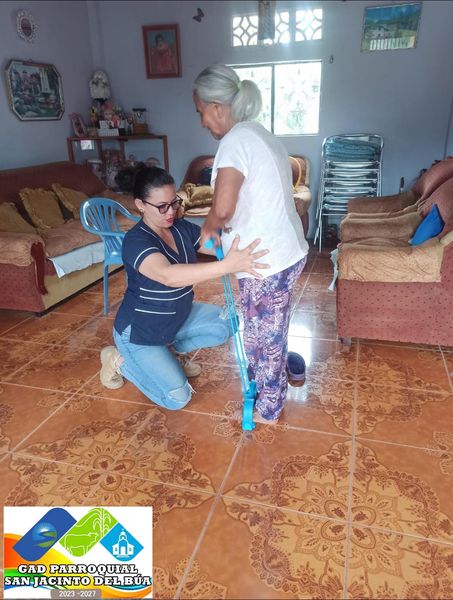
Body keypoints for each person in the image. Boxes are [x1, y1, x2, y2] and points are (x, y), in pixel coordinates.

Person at [193, 64, 309, 424]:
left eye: (200, 112)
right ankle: (266, 381)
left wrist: (209, 229)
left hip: (266, 260)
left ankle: (269, 408)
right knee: (267, 328)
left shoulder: (234, 141)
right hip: (281, 251)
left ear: (216, 106)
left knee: (263, 336)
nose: (202, 122)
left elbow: (223, 208)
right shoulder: (257, 133)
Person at [100, 166, 269, 411]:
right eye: (162, 206)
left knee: (228, 320)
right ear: (140, 205)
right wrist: (226, 266)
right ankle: (117, 360)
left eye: (174, 202)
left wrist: (243, 243)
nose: (171, 212)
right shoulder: (136, 241)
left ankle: (169, 353)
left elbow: (214, 245)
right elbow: (168, 275)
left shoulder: (180, 227)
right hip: (139, 334)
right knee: (178, 398)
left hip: (176, 317)